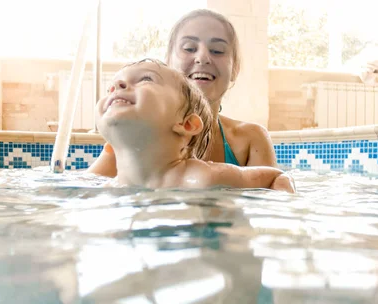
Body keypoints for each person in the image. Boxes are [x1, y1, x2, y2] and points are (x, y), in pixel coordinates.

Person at [88, 9, 280, 176]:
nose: (202, 57)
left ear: (235, 69)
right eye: (189, 48)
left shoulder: (250, 140)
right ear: (168, 65)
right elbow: (82, 195)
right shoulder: (135, 142)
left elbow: (271, 205)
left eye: (217, 50)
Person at [97, 59, 294, 192]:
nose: (117, 87)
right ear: (109, 146)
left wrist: (282, 209)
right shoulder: (106, 190)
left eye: (145, 79)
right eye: (111, 87)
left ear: (187, 124)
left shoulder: (202, 178)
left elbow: (276, 176)